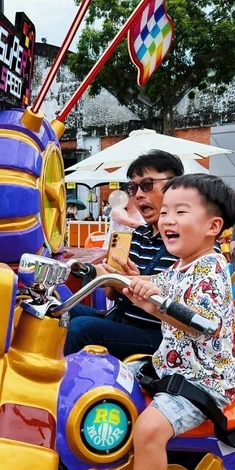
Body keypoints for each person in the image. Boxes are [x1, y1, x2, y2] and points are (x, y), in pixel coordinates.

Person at [82, 174, 235, 470]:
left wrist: (155, 299)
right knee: (98, 374)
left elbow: (203, 323)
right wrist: (121, 278)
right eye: (164, 211)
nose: (167, 218)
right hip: (168, 369)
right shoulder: (179, 267)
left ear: (212, 227)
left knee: (150, 429)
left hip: (202, 380)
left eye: (180, 211)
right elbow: (153, 291)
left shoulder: (210, 269)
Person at [64, 150, 184, 359]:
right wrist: (112, 278)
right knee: (57, 311)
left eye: (147, 185)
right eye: (133, 187)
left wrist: (125, 280)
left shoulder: (188, 239)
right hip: (121, 318)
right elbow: (112, 295)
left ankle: (64, 388)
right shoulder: (138, 234)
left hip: (160, 334)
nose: (138, 195)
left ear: (176, 187)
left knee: (82, 327)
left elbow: (182, 295)